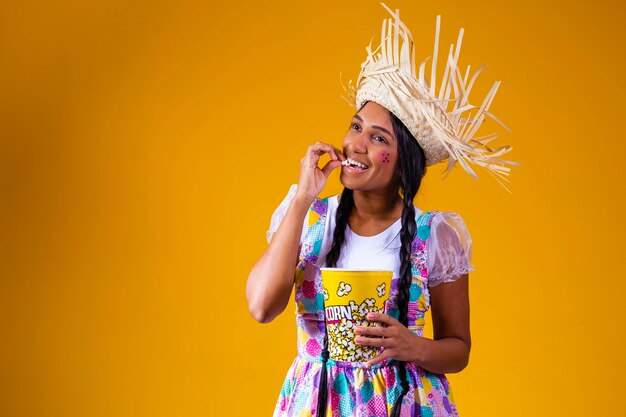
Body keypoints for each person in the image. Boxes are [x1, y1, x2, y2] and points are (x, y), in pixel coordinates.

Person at [246, 4, 517, 417]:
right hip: (317, 403)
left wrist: (415, 346)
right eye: (356, 127)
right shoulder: (307, 215)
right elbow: (262, 307)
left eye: (377, 138)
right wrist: (302, 200)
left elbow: (458, 350)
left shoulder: (436, 236)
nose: (356, 144)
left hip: (405, 404)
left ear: (403, 160)